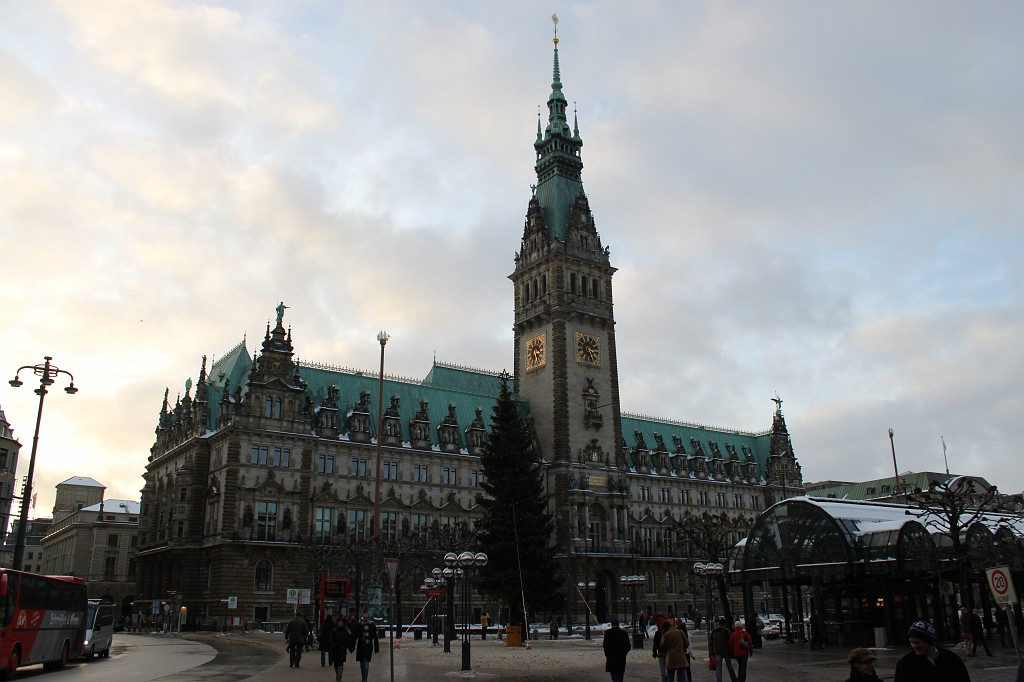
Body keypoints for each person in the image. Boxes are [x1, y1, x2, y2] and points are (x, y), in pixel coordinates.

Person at [894, 620, 970, 682]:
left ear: (929, 641)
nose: (914, 646)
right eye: (911, 642)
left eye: (917, 642)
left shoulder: (951, 659)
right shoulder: (905, 664)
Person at [351, 612, 379, 682]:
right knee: (361, 664)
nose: (365, 619)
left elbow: (375, 638)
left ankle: (364, 679)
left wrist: (376, 648)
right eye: (364, 617)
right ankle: (363, 677)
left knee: (366, 663)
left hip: (368, 648)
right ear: (362, 618)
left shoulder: (372, 627)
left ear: (369, 618)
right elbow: (354, 637)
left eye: (366, 617)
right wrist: (352, 646)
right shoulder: (359, 626)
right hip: (361, 647)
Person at [709, 618, 737, 682]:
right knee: (729, 665)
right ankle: (733, 678)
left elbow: (711, 641)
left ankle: (719, 680)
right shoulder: (726, 630)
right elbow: (730, 641)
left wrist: (711, 651)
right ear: (724, 624)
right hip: (726, 650)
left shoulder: (714, 631)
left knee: (718, 666)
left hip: (717, 650)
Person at [330, 616, 354, 682]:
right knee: (336, 664)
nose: (340, 623)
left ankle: (339, 677)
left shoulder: (346, 631)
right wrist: (332, 644)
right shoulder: (334, 631)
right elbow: (330, 638)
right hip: (335, 650)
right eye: (339, 622)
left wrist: (350, 647)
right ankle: (337, 674)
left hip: (342, 650)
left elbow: (348, 640)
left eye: (341, 622)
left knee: (340, 663)